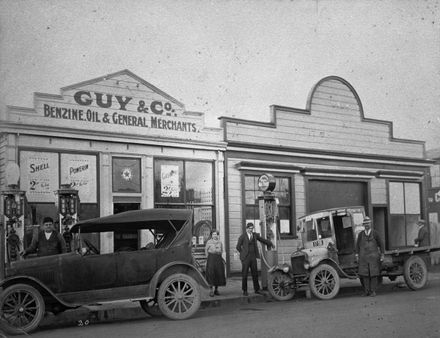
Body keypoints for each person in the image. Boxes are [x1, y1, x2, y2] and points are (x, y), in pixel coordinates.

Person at [236, 222, 273, 296]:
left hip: (253, 257)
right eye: (249, 228)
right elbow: (238, 247)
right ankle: (245, 290)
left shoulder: (255, 235)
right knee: (245, 274)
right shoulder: (242, 236)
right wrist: (243, 254)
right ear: (246, 229)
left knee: (255, 274)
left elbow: (262, 240)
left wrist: (270, 243)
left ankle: (257, 289)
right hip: (246, 258)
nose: (251, 230)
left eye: (252, 228)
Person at [355, 216, 384, 297]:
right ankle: (366, 291)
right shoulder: (361, 234)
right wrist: (357, 255)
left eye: (368, 223)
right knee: (364, 275)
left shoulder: (375, 233)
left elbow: (381, 244)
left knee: (374, 275)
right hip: (363, 258)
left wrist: (382, 254)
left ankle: (373, 291)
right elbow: (357, 245)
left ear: (370, 224)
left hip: (374, 258)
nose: (366, 225)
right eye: (365, 224)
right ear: (363, 225)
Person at [204, 230, 226, 297]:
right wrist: (208, 258)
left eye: (216, 234)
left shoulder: (220, 242)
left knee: (218, 273)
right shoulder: (209, 242)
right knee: (211, 273)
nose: (215, 235)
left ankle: (216, 290)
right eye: (213, 234)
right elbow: (206, 250)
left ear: (217, 235)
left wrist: (220, 254)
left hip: (218, 258)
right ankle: (211, 290)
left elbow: (222, 250)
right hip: (211, 258)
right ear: (211, 235)